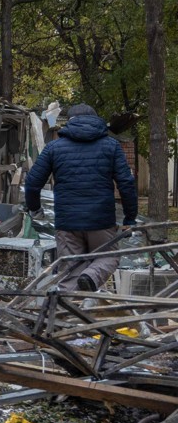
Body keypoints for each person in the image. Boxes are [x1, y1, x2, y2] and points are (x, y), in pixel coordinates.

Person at [24, 104, 138, 291]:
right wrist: (130, 218)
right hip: (101, 220)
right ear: (96, 120)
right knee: (108, 256)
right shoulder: (111, 146)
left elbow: (32, 183)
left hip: (68, 222)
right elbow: (126, 183)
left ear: (69, 122)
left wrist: (35, 209)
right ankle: (90, 277)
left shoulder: (54, 148)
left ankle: (67, 315)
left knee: (70, 271)